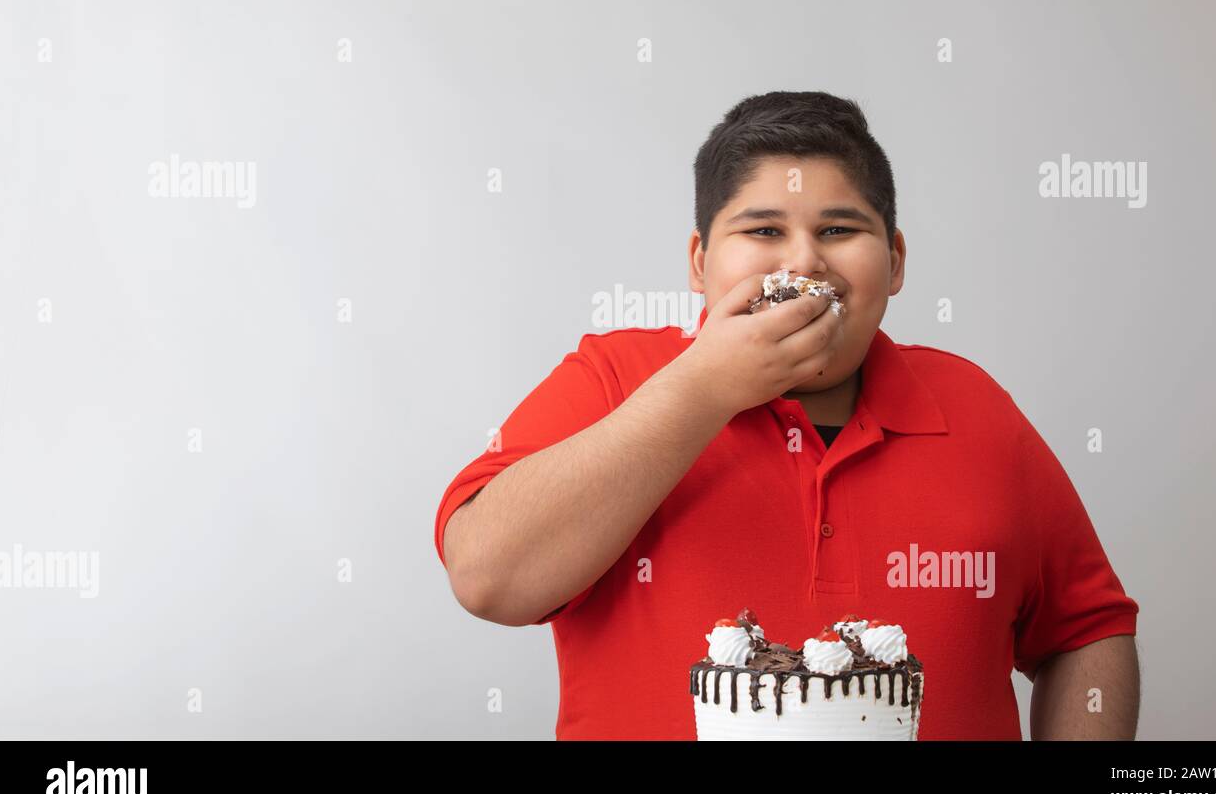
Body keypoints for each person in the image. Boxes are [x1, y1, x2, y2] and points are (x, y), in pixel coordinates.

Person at [435, 91, 1140, 740]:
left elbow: (1088, 630)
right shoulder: (612, 378)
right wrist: (706, 387)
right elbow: (487, 576)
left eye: (839, 228)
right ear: (699, 261)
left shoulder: (977, 408)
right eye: (764, 229)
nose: (803, 261)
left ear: (894, 262)